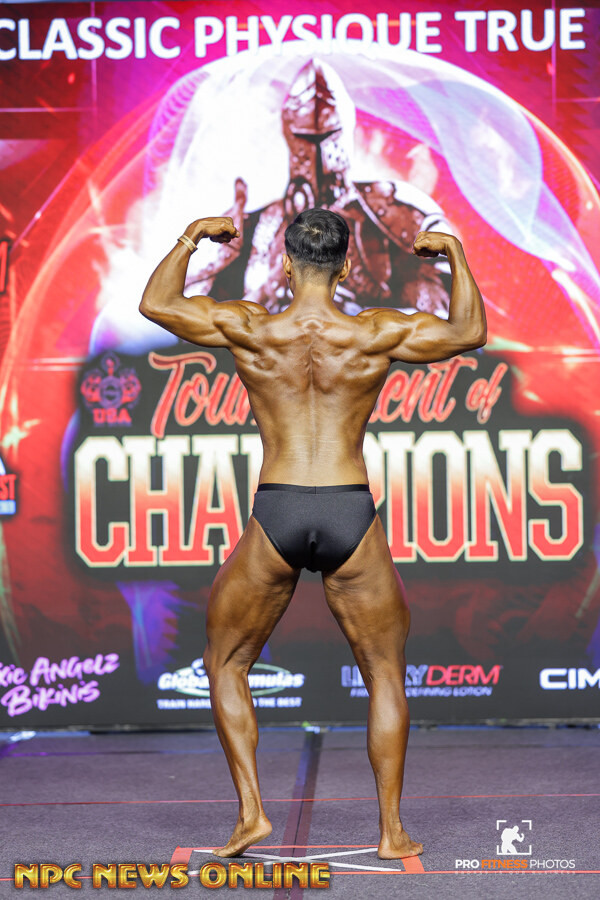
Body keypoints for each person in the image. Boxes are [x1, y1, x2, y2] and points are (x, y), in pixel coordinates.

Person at [139, 208, 486, 860]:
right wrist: (453, 255)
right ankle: (391, 831)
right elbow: (469, 332)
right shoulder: (374, 332)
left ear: (286, 263)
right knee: (384, 672)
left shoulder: (251, 328)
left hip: (280, 509)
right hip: (350, 509)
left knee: (226, 662)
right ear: (347, 266)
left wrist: (192, 238)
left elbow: (157, 304)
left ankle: (251, 814)